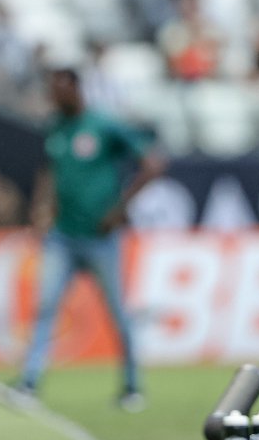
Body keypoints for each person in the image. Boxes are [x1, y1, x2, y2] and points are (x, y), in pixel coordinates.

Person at [12, 68, 164, 411]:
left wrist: (120, 207)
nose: (53, 97)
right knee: (45, 306)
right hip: (62, 235)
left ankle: (131, 385)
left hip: (100, 238)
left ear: (75, 89)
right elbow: (50, 171)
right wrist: (42, 208)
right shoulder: (57, 127)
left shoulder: (104, 125)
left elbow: (152, 164)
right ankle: (29, 383)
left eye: (58, 90)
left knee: (117, 313)